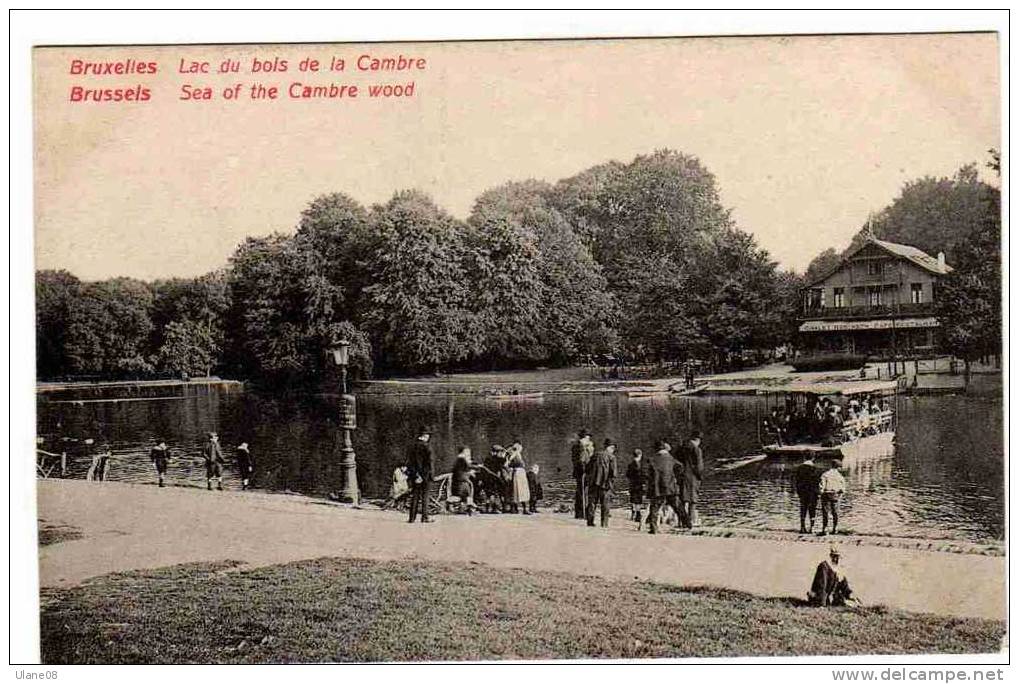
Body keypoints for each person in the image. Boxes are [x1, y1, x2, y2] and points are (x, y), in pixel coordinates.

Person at [647, 440, 680, 534]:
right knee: (676, 506)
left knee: (654, 507)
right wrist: (674, 477)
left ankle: (654, 527)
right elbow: (680, 468)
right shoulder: (671, 458)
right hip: (669, 486)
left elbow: (647, 473)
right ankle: (685, 524)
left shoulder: (652, 459)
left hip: (656, 487)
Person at [586, 438, 617, 527]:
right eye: (613, 448)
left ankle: (590, 522)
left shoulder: (595, 455)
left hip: (593, 483)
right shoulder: (612, 457)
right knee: (605, 504)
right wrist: (611, 484)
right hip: (605, 484)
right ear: (610, 447)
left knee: (592, 503)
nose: (613, 450)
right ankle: (604, 523)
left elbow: (587, 469)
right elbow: (613, 473)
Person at [406, 426, 435, 523]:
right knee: (425, 496)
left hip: (415, 475)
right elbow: (428, 463)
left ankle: (412, 518)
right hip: (425, 476)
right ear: (425, 435)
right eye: (428, 435)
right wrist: (425, 476)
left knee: (415, 496)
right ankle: (425, 517)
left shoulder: (412, 446)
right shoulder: (426, 447)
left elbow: (410, 463)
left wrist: (416, 475)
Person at [678, 431, 705, 528]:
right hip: (692, 478)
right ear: (698, 440)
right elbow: (699, 466)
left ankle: (681, 522)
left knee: (682, 499)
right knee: (692, 500)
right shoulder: (697, 450)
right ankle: (690, 521)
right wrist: (700, 476)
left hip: (681, 476)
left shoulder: (681, 448)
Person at [817, 459, 847, 536]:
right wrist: (840, 493)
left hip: (826, 494)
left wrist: (820, 493)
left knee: (825, 512)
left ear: (831, 465)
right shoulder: (840, 476)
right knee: (835, 512)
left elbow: (821, 487)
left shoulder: (825, 474)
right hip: (835, 494)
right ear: (838, 467)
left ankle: (825, 529)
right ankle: (835, 528)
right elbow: (843, 488)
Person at [793, 456, 822, 533]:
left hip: (802, 491)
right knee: (812, 510)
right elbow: (818, 482)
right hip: (812, 492)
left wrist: (798, 491)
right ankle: (811, 528)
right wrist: (818, 493)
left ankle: (802, 527)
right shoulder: (815, 469)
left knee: (803, 509)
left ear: (804, 458)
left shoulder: (799, 468)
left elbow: (796, 481)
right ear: (813, 458)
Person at [571, 429, 595, 519]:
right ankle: (581, 513)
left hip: (583, 472)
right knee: (582, 492)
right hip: (582, 472)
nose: (589, 440)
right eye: (587, 438)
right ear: (583, 438)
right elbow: (580, 461)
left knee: (582, 492)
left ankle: (580, 512)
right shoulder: (579, 446)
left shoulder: (583, 446)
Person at [507, 442, 531, 515]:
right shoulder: (515, 455)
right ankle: (523, 509)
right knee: (520, 490)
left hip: (519, 473)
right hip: (518, 474)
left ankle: (517, 508)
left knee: (518, 491)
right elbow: (509, 464)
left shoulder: (515, 455)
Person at [451, 446, 476, 513]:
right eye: (467, 452)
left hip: (459, 480)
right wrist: (470, 473)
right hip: (461, 481)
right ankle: (469, 507)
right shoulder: (461, 459)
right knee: (468, 489)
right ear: (463, 452)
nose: (468, 453)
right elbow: (462, 471)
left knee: (468, 488)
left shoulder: (460, 460)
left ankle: (467, 506)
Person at [626, 448, 646, 527]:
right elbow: (644, 475)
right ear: (640, 455)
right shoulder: (642, 465)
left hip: (633, 484)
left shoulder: (631, 464)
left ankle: (634, 513)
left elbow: (628, 475)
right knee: (638, 499)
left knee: (633, 499)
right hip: (639, 484)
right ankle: (637, 513)